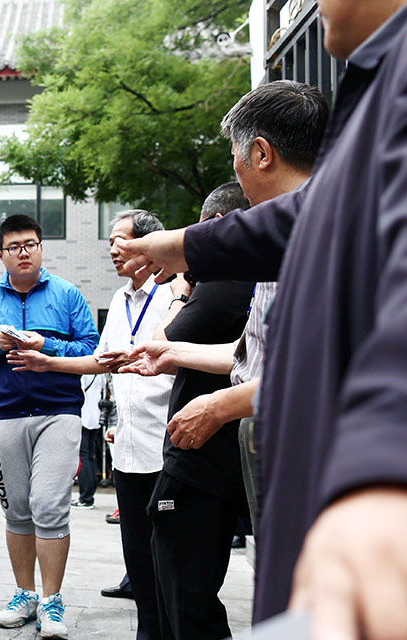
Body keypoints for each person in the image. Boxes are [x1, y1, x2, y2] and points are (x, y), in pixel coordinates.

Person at [116, 1, 407, 635]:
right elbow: (303, 224)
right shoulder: (379, 77)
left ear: (258, 154)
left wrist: (388, 484)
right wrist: (177, 255)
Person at [7, 210, 174, 640]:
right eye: (111, 242)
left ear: (149, 245)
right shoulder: (120, 300)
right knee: (137, 554)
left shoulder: (177, 292)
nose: (113, 249)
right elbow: (101, 360)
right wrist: (49, 362)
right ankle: (148, 632)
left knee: (171, 556)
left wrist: (49, 355)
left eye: (121, 240)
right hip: (129, 448)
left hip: (170, 445)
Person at [0, 214, 99, 639]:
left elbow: (92, 350)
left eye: (31, 244)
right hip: (6, 413)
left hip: (58, 411)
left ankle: (51, 600)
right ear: (1, 254)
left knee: (48, 505)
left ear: (41, 247)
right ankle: (24, 593)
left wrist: (48, 344)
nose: (24, 252)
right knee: (17, 508)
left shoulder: (67, 294)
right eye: (14, 247)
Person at [147, 181, 256, 640]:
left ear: (214, 226)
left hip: (209, 452)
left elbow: (164, 337)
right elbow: (241, 356)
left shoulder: (228, 274)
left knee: (185, 583)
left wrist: (179, 291)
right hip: (225, 445)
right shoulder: (254, 275)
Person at [71, 373, 104, 509]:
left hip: (84, 417)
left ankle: (85, 498)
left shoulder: (84, 372)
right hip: (95, 418)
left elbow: (80, 390)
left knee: (83, 456)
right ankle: (89, 495)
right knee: (90, 456)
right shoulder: (100, 373)